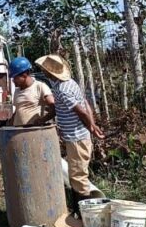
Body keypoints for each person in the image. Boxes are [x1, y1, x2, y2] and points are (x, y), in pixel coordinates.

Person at [35, 53, 104, 207]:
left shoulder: (62, 89)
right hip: (77, 136)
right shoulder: (69, 83)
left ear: (49, 72)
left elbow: (81, 111)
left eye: (43, 69)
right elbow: (85, 103)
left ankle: (84, 213)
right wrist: (92, 125)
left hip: (76, 138)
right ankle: (77, 209)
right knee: (75, 174)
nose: (42, 70)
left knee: (78, 176)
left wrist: (92, 127)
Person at [9, 56, 55, 126]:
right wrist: (9, 125)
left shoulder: (40, 87)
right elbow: (18, 111)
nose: (13, 80)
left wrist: (43, 120)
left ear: (24, 75)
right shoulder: (17, 91)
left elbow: (54, 107)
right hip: (18, 132)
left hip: (33, 133)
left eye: (15, 77)